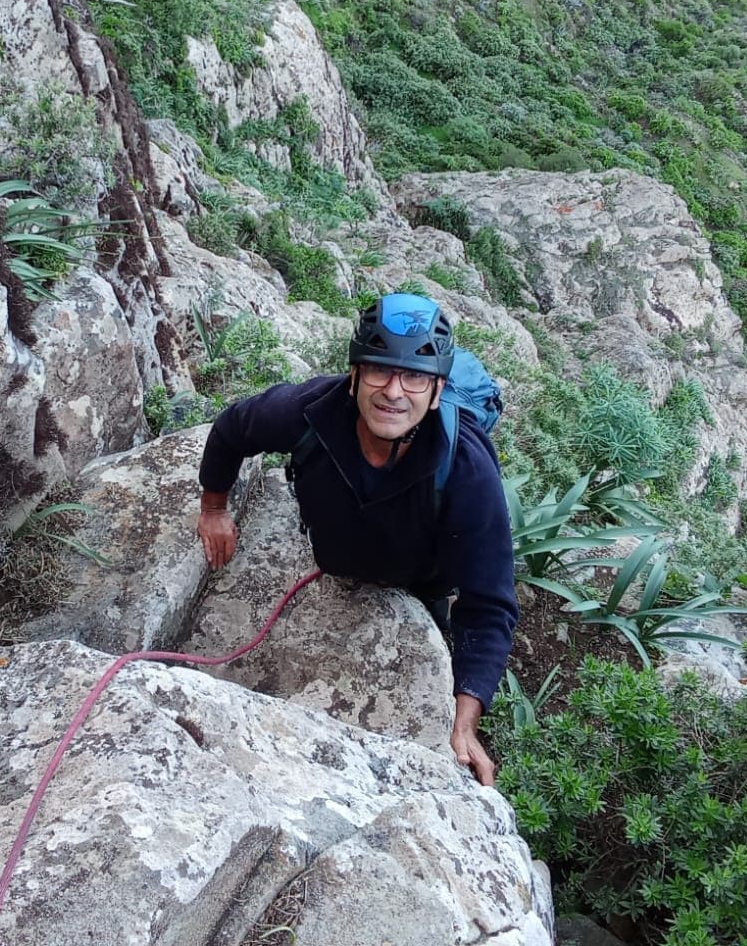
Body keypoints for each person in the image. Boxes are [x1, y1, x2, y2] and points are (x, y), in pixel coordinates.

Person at [196, 293, 519, 785]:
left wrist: (463, 719)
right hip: (337, 554)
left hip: (419, 585)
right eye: (379, 371)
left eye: (414, 377)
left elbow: (488, 601)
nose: (394, 391)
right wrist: (214, 509)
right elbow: (234, 428)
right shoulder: (310, 413)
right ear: (354, 376)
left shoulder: (466, 469)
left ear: (437, 391)